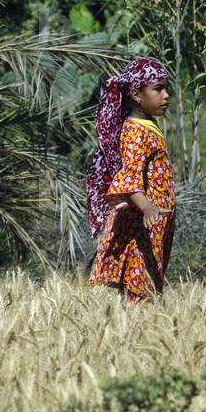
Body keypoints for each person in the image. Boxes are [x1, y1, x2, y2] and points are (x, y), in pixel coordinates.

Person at [85, 57, 175, 305]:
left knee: (150, 281)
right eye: (158, 89)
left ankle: (139, 330)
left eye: (167, 88)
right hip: (145, 221)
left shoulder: (147, 125)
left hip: (157, 218)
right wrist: (147, 207)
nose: (166, 95)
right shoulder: (135, 132)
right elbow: (129, 177)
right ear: (136, 94)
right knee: (140, 283)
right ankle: (136, 333)